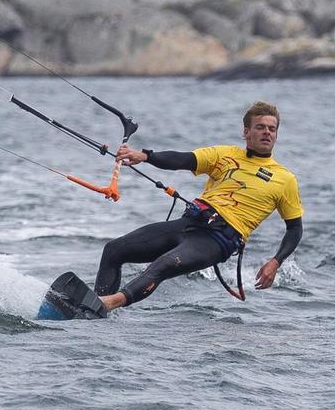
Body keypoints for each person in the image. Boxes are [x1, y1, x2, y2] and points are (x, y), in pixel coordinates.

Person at [95, 101, 304, 312]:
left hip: (217, 240)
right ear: (246, 131)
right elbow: (183, 160)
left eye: (272, 129)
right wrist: (146, 156)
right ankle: (95, 309)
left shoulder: (284, 179)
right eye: (260, 127)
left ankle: (107, 304)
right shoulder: (225, 155)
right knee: (114, 250)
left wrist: (276, 261)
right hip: (189, 224)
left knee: (162, 265)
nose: (267, 133)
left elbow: (295, 228)